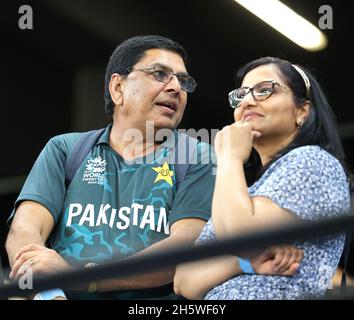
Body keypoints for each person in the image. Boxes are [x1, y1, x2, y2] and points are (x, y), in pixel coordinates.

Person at [5, 37, 303, 300]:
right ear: (118, 87)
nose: (175, 88)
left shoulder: (200, 157)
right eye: (159, 74)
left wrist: (78, 275)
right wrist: (50, 291)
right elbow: (25, 229)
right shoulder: (66, 149)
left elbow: (184, 249)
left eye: (183, 81)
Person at [174, 57, 351, 300]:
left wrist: (229, 158)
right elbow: (184, 281)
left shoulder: (313, 161)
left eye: (265, 90)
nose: (246, 101)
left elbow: (241, 238)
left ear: (302, 111)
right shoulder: (245, 191)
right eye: (241, 95)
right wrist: (244, 262)